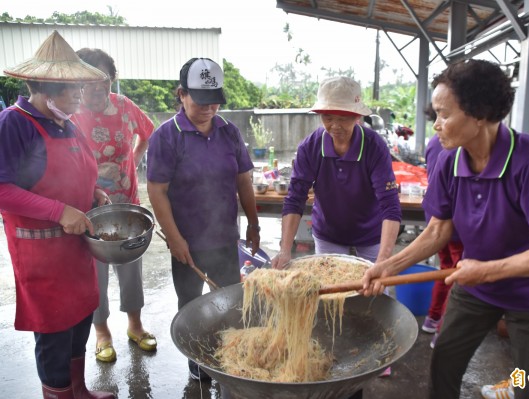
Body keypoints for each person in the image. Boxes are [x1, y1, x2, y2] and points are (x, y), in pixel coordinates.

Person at [360, 59, 529, 399]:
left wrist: (489, 270)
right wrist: (385, 267)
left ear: (480, 114)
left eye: (444, 115)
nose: (436, 126)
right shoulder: (450, 161)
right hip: (476, 287)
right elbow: (437, 232)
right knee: (443, 362)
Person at [0, 31, 115, 399]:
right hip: (42, 255)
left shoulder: (68, 122)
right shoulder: (14, 123)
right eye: (74, 90)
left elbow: (80, 173)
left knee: (80, 319)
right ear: (47, 89)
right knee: (53, 333)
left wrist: (93, 192)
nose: (81, 97)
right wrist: (58, 209)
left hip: (77, 249)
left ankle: (78, 389)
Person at [146, 57, 260, 381]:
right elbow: (156, 191)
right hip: (187, 241)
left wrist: (252, 223)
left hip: (224, 237)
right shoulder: (167, 136)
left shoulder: (229, 132)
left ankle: (228, 358)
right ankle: (198, 364)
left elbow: (243, 181)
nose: (209, 107)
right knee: (191, 304)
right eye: (200, 100)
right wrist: (175, 238)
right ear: (181, 93)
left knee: (229, 302)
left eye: (214, 100)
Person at [72, 48, 157, 364]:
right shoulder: (72, 113)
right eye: (91, 81)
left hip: (127, 204)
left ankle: (135, 326)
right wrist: (95, 176)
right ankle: (102, 332)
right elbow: (66, 163)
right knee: (96, 273)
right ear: (79, 81)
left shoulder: (124, 107)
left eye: (104, 80)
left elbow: (147, 134)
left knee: (131, 267)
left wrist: (133, 160)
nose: (98, 88)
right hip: (90, 208)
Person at [271, 76, 402, 269]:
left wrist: (383, 260)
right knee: (329, 291)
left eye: (343, 118)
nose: (335, 125)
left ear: (357, 116)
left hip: (371, 233)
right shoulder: (310, 147)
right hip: (328, 233)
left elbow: (390, 204)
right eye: (328, 117)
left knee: (375, 290)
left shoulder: (375, 147)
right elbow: (295, 199)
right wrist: (285, 251)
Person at [421, 133, 463, 349]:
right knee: (456, 276)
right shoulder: (456, 145)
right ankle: (442, 331)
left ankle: (432, 318)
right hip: (453, 224)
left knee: (445, 269)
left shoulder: (434, 141)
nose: (439, 123)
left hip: (435, 217)